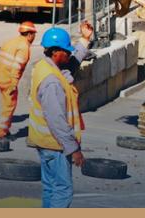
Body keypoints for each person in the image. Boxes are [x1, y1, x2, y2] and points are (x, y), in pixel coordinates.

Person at [27, 23, 93, 208]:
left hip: (45, 143)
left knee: (50, 188)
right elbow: (57, 121)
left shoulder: (44, 66)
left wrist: (85, 40)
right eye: (66, 51)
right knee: (63, 191)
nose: (69, 54)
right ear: (56, 52)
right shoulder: (53, 83)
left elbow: (70, 65)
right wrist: (74, 150)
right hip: (55, 145)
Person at [0, 21, 37, 138]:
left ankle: (5, 129)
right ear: (29, 34)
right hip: (8, 80)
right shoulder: (24, 47)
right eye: (34, 34)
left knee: (5, 102)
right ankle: (0, 130)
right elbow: (17, 67)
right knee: (9, 105)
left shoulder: (10, 41)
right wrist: (13, 83)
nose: (34, 37)